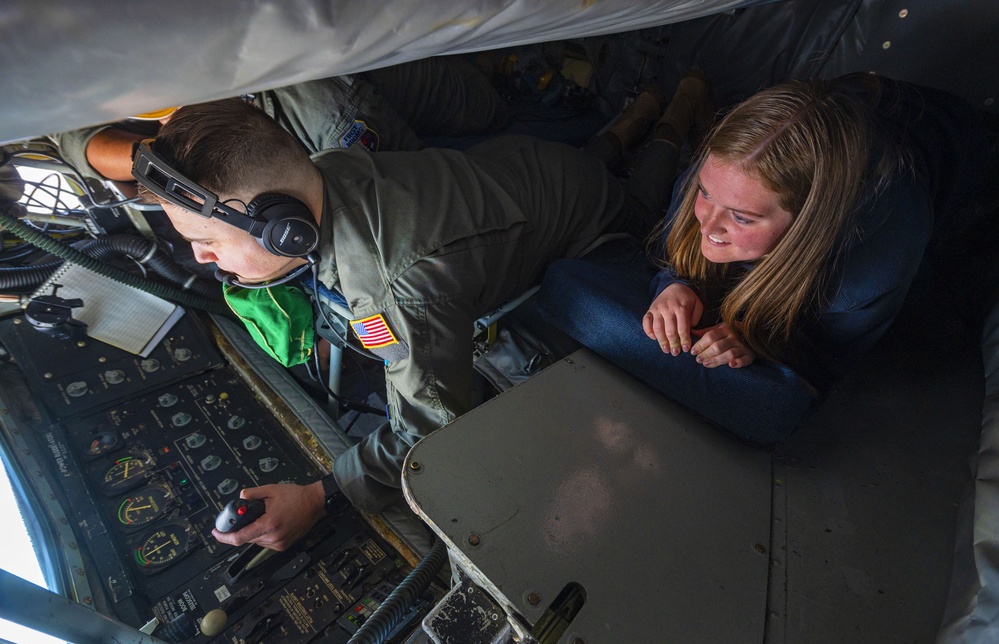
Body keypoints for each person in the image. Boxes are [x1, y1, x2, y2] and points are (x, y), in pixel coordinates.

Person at [132, 93, 679, 550]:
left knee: (639, 207)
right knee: (587, 164)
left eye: (205, 243)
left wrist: (321, 495)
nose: (202, 259)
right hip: (529, 167)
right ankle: (630, 124)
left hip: (590, 223)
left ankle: (675, 123)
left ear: (285, 231)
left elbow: (429, 428)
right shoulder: (325, 169)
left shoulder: (395, 287)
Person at [538, 72, 995, 444]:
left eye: (740, 216)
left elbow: (830, 356)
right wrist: (677, 284)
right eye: (704, 192)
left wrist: (761, 339)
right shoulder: (718, 181)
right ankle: (684, 111)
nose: (708, 223)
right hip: (856, 93)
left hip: (952, 137)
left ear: (808, 225)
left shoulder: (880, 255)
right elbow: (673, 250)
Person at [55, 55, 510, 182]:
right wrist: (162, 161)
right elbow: (75, 139)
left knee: (481, 107)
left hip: (308, 61)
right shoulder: (47, 50)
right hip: (228, 114)